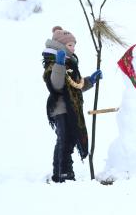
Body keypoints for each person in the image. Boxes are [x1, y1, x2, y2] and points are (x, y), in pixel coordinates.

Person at [42, 26, 102, 183]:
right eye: (70, 45)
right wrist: (59, 65)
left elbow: (76, 85)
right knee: (66, 140)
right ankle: (65, 173)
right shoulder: (53, 62)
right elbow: (56, 84)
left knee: (65, 139)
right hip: (60, 108)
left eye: (74, 45)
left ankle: (59, 173)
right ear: (61, 46)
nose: (73, 48)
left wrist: (91, 80)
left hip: (72, 108)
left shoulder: (71, 62)